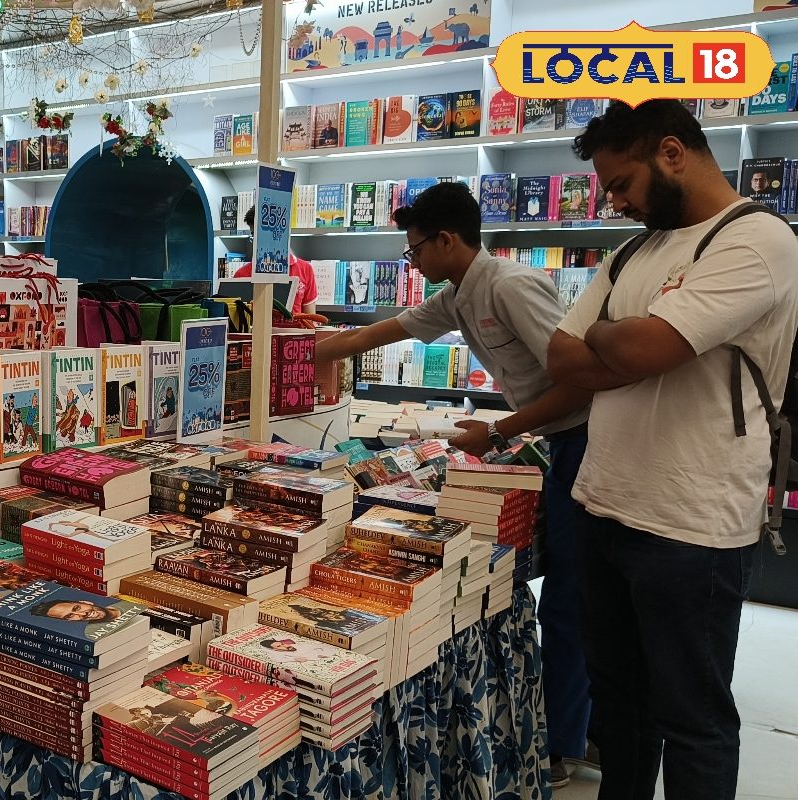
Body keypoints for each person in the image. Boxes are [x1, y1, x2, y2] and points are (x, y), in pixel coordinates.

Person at [547, 99, 798, 800]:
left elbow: (640, 347)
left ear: (672, 153)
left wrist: (619, 337)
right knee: (619, 704)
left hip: (693, 525)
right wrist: (632, 344)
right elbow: (561, 356)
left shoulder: (757, 240)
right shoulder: (636, 250)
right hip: (602, 504)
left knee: (693, 718)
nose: (616, 202)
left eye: (622, 184)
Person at [315, 180, 595, 787]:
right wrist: (296, 353)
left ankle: (564, 742)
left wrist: (497, 433)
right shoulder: (458, 295)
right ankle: (575, 726)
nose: (411, 262)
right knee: (564, 585)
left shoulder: (510, 286)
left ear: (446, 240)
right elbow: (381, 332)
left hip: (586, 441)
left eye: (414, 250)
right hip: (554, 440)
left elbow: (580, 383)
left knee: (571, 596)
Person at [233, 206, 319, 315]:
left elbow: (310, 318)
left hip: (295, 326)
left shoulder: (305, 269)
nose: (260, 241)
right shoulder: (241, 274)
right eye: (254, 235)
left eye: (264, 235)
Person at [28, 598, 121, 624]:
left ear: (85, 602)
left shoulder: (118, 600)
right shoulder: (93, 633)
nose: (82, 614)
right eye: (70, 616)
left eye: (76, 608)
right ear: (70, 620)